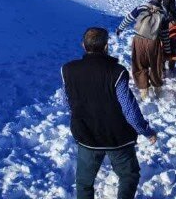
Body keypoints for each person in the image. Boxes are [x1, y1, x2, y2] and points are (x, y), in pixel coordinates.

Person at [62, 28, 158, 199]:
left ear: (83, 45)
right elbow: (129, 110)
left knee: (84, 182)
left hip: (86, 135)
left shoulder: (68, 70)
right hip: (117, 138)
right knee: (129, 175)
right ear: (106, 46)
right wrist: (146, 131)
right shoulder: (117, 72)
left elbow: (68, 102)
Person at [116, 0, 171, 100]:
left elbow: (128, 18)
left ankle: (144, 90)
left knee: (139, 64)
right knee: (155, 65)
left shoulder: (142, 6)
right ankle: (157, 88)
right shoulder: (163, 12)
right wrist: (167, 49)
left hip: (138, 39)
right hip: (153, 42)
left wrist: (120, 28)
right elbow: (165, 34)